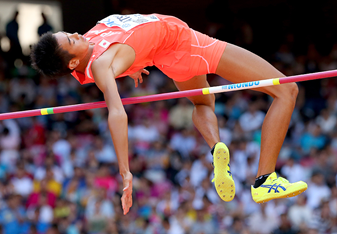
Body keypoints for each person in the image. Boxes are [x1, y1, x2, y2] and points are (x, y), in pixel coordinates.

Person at [31, 13, 308, 214]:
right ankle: (265, 179)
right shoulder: (103, 65)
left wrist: (132, 64)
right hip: (188, 46)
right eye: (71, 39)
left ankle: (216, 148)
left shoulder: (93, 46)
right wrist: (125, 171)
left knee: (202, 104)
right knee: (287, 90)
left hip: (168, 57)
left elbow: (128, 40)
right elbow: (116, 113)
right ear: (74, 61)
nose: (77, 34)